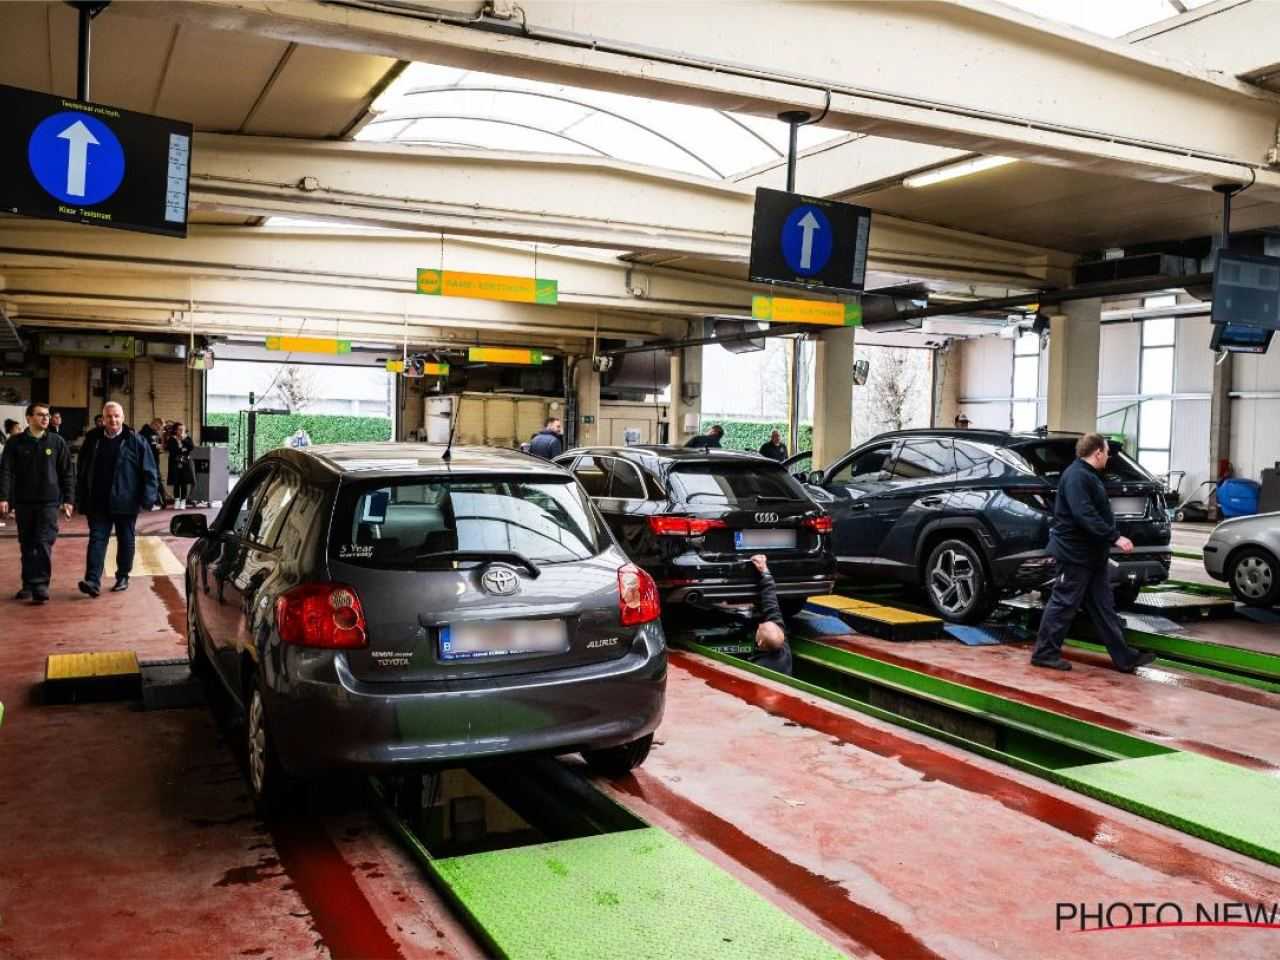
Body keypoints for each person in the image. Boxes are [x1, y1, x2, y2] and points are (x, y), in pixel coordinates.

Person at [1030, 432, 1157, 674]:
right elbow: (1084, 514)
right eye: (1107, 453)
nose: (1108, 458)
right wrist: (1114, 537)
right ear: (1097, 452)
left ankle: (1125, 658)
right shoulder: (1077, 476)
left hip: (1091, 555)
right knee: (1063, 602)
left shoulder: (1087, 475)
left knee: (1104, 607)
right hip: (1074, 554)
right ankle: (1044, 653)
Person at [75, 402, 159, 597]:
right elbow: (83, 468)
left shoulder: (136, 441)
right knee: (97, 539)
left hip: (126, 501)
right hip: (98, 501)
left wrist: (148, 498)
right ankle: (92, 580)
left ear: (123, 418)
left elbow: (149, 471)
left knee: (125, 540)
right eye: (109, 416)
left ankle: (122, 576)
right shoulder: (93, 439)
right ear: (103, 419)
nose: (113, 420)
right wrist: (80, 496)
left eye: (116, 416)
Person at [0, 403, 74, 603]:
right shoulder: (15, 443)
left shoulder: (57, 442)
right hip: (23, 502)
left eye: (47, 415)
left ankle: (40, 585)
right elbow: (6, 471)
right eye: (40, 415)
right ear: (28, 418)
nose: (45, 418)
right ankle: (27, 584)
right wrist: (4, 497)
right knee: (27, 544)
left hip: (49, 502)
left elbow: (67, 473)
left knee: (43, 542)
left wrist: (68, 500)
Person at [746, 554, 792, 674]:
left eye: (759, 629)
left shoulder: (759, 669)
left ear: (760, 642)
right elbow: (771, 605)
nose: (760, 625)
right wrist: (765, 573)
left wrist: (765, 571)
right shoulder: (784, 652)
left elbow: (772, 606)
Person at [165, 422, 196, 507]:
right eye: (180, 429)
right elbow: (172, 451)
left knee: (184, 482)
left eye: (183, 429)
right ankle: (177, 500)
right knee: (176, 482)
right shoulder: (172, 439)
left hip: (185, 463)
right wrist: (182, 449)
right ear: (176, 430)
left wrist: (183, 440)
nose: (182, 431)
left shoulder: (187, 438)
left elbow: (191, 447)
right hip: (175, 463)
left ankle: (183, 501)